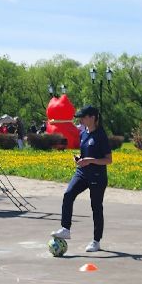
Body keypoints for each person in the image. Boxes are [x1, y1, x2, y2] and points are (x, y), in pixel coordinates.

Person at [53, 105, 111, 253]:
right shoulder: (83, 133)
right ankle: (65, 228)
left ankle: (96, 241)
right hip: (82, 172)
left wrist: (90, 160)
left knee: (96, 207)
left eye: (83, 117)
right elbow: (85, 153)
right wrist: (80, 158)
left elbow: (108, 160)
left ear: (92, 117)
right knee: (68, 194)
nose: (81, 120)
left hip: (97, 176)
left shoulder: (101, 135)